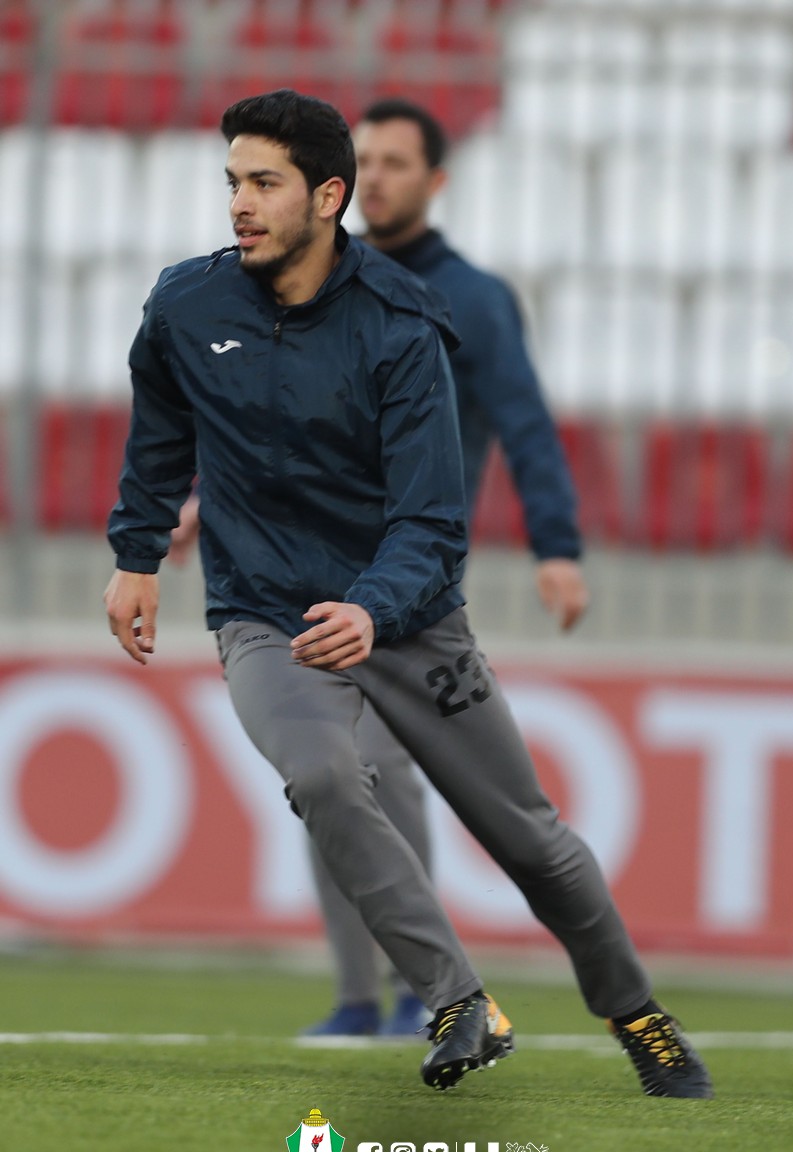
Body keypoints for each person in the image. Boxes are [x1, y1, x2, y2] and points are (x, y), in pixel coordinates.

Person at [105, 88, 713, 1099]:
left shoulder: (402, 324)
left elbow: (432, 520)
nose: (239, 204)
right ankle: (455, 999)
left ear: (326, 196)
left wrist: (374, 609)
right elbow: (160, 435)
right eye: (233, 181)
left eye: (264, 183)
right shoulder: (185, 305)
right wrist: (134, 554)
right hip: (265, 616)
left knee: (531, 842)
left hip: (408, 621)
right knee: (323, 777)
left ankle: (636, 1012)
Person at [168, 98, 591, 1039]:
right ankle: (365, 994)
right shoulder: (297, 287)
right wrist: (204, 496)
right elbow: (264, 422)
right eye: (373, 160)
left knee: (367, 779)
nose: (383, 178)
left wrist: (556, 545)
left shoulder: (467, 300)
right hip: (298, 583)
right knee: (332, 781)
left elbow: (523, 422)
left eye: (400, 163)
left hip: (402, 594)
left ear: (434, 181)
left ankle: (412, 994)